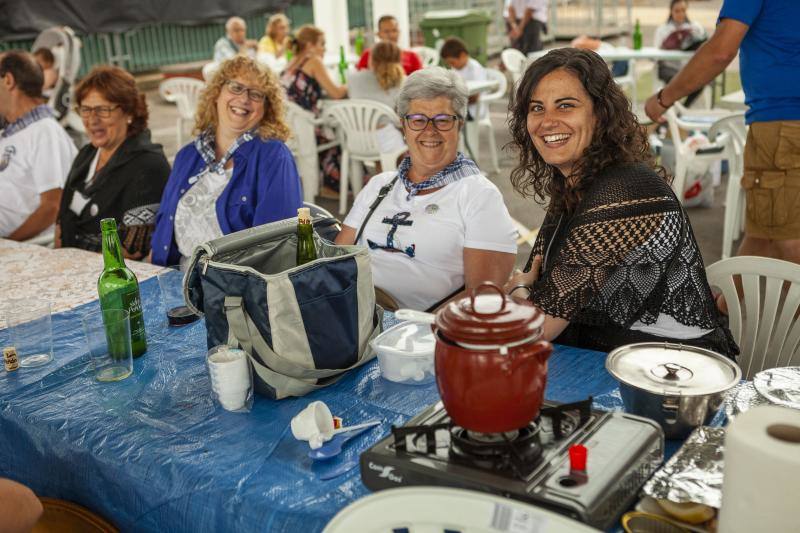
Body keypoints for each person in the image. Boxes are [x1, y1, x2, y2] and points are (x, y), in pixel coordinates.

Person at [506, 48, 738, 358]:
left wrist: (518, 289)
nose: (547, 121)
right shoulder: (575, 180)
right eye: (537, 108)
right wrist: (528, 291)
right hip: (611, 350)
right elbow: (542, 281)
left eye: (565, 106)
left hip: (673, 367)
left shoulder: (623, 191)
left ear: (600, 113)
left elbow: (536, 326)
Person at [335, 67, 518, 311]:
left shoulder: (479, 196)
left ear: (459, 125)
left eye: (442, 120)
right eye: (418, 120)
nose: (429, 131)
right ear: (403, 125)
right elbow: (337, 261)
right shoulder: (380, 185)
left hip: (422, 334)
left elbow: (482, 295)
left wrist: (409, 330)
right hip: (353, 320)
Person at [645, 1, 800, 272]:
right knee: (764, 231)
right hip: (782, 123)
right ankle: (724, 306)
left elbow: (721, 51)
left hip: (782, 123)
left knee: (789, 243)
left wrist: (664, 97)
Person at [151, 56, 302, 267]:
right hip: (177, 278)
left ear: (266, 108)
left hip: (237, 288)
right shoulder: (187, 155)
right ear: (217, 94)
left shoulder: (274, 156)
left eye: (256, 94)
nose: (244, 99)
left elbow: (277, 246)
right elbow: (163, 228)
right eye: (236, 87)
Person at [55, 66, 170, 258]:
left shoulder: (148, 166)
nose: (92, 120)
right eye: (85, 109)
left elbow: (133, 250)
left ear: (129, 112)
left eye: (103, 110)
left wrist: (74, 266)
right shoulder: (87, 154)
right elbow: (61, 220)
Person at [0, 51, 76, 241]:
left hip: (28, 248)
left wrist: (8, 245)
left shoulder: (45, 131)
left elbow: (52, 207)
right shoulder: (11, 132)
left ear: (8, 81)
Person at [281, 25, 347, 195]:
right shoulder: (313, 61)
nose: (324, 49)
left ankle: (329, 185)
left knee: (334, 124)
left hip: (289, 129)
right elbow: (336, 93)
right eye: (322, 44)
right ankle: (337, 185)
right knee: (343, 130)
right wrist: (351, 83)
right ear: (310, 45)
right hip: (307, 128)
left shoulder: (291, 62)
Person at [347, 41, 406, 157]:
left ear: (372, 59)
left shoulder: (352, 78)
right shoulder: (402, 81)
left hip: (357, 139)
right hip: (387, 141)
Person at [653, 0, 707, 107]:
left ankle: (682, 110)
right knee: (676, 81)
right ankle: (672, 110)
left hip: (689, 67)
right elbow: (656, 54)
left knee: (701, 80)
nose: (680, 14)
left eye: (683, 10)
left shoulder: (695, 27)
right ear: (671, 11)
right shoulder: (662, 30)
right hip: (668, 67)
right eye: (677, 11)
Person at [439, 37, 488, 121]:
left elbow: (475, 97)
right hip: (461, 106)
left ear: (462, 55)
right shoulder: (455, 69)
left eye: (452, 62)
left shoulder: (475, 68)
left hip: (474, 109)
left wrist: (453, 102)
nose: (451, 65)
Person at [356, 15, 422, 76]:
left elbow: (420, 82)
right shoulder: (368, 54)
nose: (391, 35)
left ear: (399, 32)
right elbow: (359, 79)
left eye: (394, 30)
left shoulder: (412, 56)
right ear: (379, 34)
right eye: (386, 31)